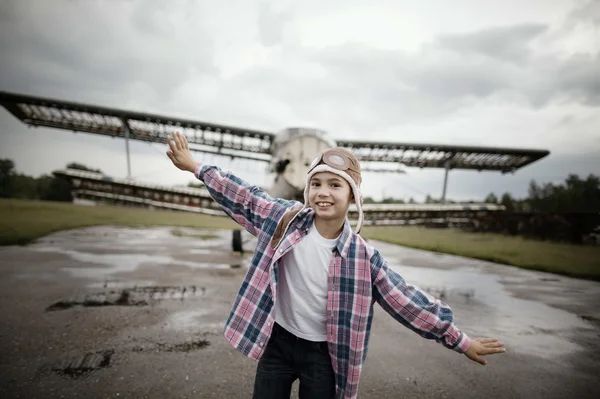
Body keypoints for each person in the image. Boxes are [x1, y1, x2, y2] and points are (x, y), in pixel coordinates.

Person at [166, 132, 506, 399]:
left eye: (334, 184)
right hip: (278, 343)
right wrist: (197, 167)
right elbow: (243, 195)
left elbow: (409, 302)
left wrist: (459, 340)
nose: (322, 192)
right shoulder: (284, 219)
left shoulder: (364, 258)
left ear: (353, 196)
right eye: (315, 183)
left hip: (324, 355)